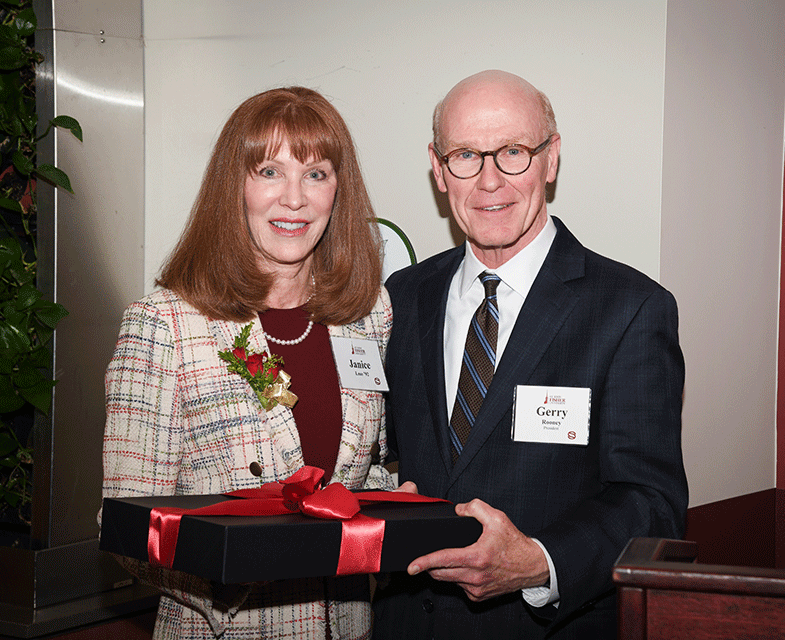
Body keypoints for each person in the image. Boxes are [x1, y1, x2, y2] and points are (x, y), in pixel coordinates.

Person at [373, 70, 687, 639]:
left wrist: (540, 561)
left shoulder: (631, 309)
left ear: (552, 158)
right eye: (467, 155)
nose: (490, 180)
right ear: (439, 169)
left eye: (513, 152)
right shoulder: (401, 299)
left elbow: (653, 502)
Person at [101, 87, 393, 640]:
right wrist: (233, 581)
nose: (294, 199)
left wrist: (397, 511)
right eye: (268, 171)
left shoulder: (368, 315)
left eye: (316, 174)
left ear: (339, 190)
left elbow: (358, 472)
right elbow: (126, 523)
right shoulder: (165, 324)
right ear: (234, 187)